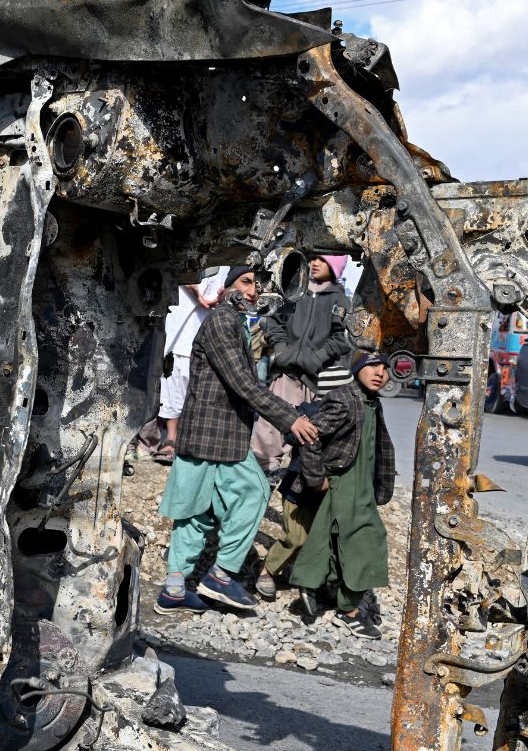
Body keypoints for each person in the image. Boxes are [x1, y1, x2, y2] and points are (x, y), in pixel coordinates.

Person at [155, 265, 319, 613]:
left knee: (195, 513)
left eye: (256, 286)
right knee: (254, 492)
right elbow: (243, 383)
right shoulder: (222, 322)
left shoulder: (231, 322)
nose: (253, 292)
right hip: (217, 435)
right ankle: (221, 574)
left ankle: (173, 590)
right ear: (225, 285)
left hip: (207, 433)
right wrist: (290, 419)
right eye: (246, 282)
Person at [284, 352, 396, 627]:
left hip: (362, 485)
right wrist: (315, 477)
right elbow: (309, 436)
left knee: (333, 538)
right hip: (344, 483)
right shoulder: (344, 399)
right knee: (368, 539)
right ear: (357, 369)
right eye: (372, 366)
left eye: (385, 367)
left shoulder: (371, 402)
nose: (379, 372)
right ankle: (350, 611)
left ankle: (314, 585)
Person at [252, 250, 353, 472]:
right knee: (269, 429)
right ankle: (262, 474)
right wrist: (280, 350)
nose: (314, 263)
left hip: (314, 380)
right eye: (312, 258)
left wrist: (317, 359)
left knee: (308, 434)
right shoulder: (293, 290)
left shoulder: (340, 300)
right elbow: (273, 321)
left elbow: (341, 338)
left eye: (322, 260)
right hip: (285, 375)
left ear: (335, 267)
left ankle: (298, 482)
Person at [155, 265, 231, 462]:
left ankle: (191, 439)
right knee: (172, 372)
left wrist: (223, 293)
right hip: (182, 311)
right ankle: (171, 437)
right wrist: (194, 287)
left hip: (210, 315)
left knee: (200, 378)